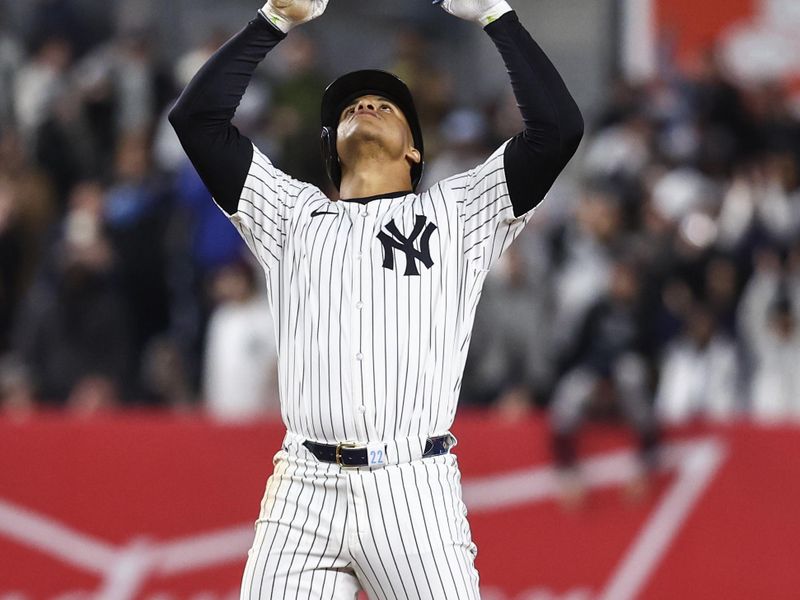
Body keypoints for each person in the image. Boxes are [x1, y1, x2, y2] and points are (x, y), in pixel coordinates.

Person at [169, 0, 583, 597]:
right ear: (333, 149)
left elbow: (557, 129)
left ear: (415, 151)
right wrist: (273, 20)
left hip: (413, 488)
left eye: (386, 105)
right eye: (351, 107)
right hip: (303, 489)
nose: (365, 105)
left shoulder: (458, 211)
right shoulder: (292, 215)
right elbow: (198, 120)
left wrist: (497, 15)